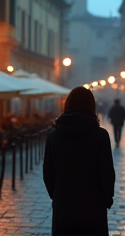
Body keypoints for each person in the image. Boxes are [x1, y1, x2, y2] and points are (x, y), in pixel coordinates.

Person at [43, 86, 115, 236]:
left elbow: (48, 174)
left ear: (67, 105)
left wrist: (57, 196)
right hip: (93, 207)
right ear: (91, 106)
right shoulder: (101, 136)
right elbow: (107, 173)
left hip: (64, 207)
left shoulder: (53, 136)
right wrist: (106, 199)